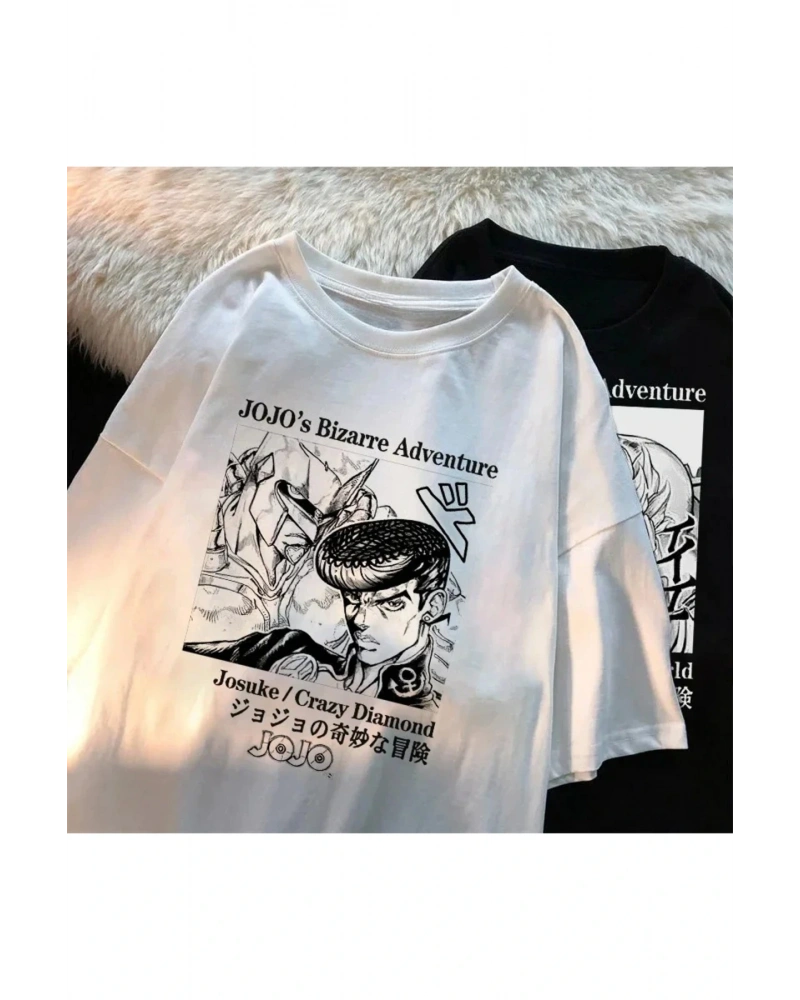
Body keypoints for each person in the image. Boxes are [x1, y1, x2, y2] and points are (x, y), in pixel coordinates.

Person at [184, 518, 451, 710]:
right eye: (353, 599)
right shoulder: (285, 647)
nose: (360, 620)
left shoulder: (420, 709)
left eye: (390, 604)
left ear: (432, 607)